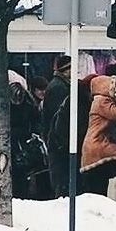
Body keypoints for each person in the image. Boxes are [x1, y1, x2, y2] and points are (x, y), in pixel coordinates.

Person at [80, 75, 116, 196]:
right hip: (97, 144)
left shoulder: (100, 101)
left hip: (96, 143)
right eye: (114, 85)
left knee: (97, 185)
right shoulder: (101, 101)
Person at [42, 56, 72, 198]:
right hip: (58, 143)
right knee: (62, 180)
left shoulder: (59, 85)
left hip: (58, 141)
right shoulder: (59, 88)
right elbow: (58, 118)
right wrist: (63, 142)